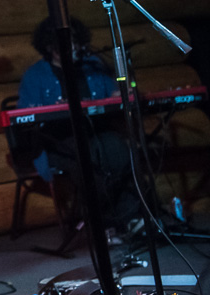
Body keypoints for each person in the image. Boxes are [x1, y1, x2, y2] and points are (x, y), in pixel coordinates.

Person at [17, 16, 140, 235]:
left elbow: (114, 93)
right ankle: (107, 224)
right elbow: (26, 116)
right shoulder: (35, 75)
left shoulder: (93, 67)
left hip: (97, 133)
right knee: (89, 156)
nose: (73, 49)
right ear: (49, 47)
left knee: (117, 148)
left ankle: (132, 218)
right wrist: (55, 109)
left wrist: (119, 93)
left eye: (75, 43)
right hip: (58, 140)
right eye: (65, 44)